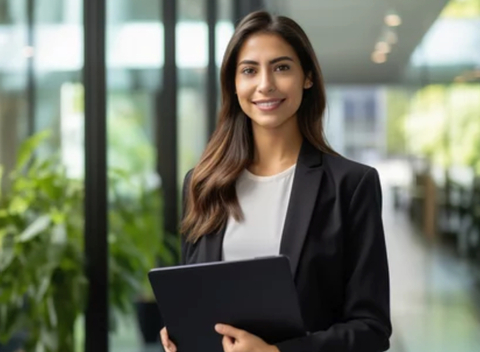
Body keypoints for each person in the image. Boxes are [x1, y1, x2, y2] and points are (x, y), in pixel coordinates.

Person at [160, 10, 391, 352]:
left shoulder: (351, 185)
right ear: (234, 84)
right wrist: (181, 331)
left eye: (281, 67)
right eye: (249, 70)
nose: (265, 84)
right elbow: (195, 295)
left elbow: (371, 329)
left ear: (307, 77)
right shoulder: (202, 184)